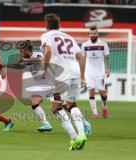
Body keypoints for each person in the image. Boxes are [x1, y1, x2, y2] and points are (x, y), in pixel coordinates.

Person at [41, 13, 88, 150]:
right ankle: (81, 134)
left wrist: (45, 69)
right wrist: (83, 77)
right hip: (74, 73)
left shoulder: (47, 35)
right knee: (72, 104)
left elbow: (48, 50)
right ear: (59, 24)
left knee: (55, 108)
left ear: (46, 25)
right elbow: (81, 57)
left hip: (61, 75)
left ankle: (74, 137)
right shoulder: (68, 37)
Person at [18, 40, 53, 132]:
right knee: (60, 107)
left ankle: (46, 124)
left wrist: (26, 60)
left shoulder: (37, 54)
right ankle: (46, 125)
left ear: (26, 49)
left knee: (34, 102)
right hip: (42, 85)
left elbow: (39, 59)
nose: (19, 52)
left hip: (48, 83)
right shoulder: (26, 60)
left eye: (21, 50)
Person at [81, 27, 110, 119]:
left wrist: (108, 69)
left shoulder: (103, 44)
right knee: (91, 91)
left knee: (103, 92)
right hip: (89, 72)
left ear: (97, 34)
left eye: (94, 33)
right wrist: (81, 73)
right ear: (89, 34)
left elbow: (107, 57)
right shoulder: (85, 45)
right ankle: (95, 113)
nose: (92, 35)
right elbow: (82, 59)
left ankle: (104, 106)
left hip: (100, 71)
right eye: (91, 33)